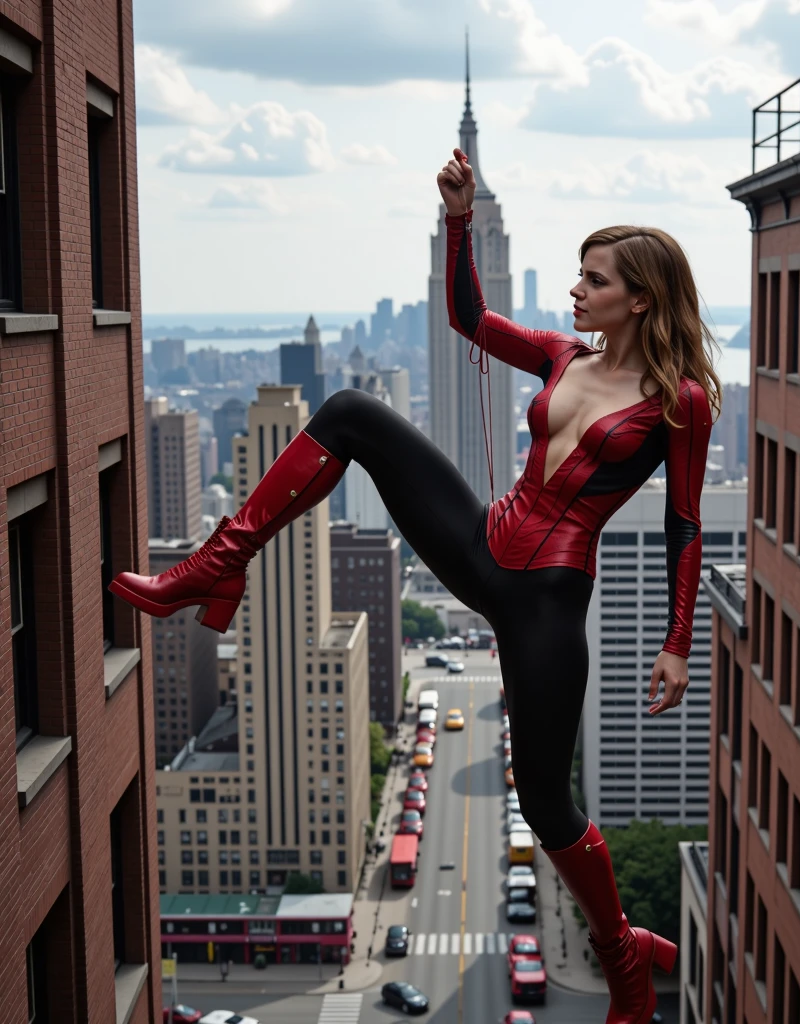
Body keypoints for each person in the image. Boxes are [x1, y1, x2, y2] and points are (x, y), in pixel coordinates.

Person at [108, 146, 719, 1024]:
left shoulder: (681, 403)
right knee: (350, 413)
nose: (576, 292)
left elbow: (684, 523)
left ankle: (624, 956)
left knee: (546, 802)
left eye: (594, 279)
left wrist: (675, 643)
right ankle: (217, 565)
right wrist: (457, 217)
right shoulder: (558, 357)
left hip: (545, 599)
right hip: (482, 544)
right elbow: (470, 316)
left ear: (642, 297)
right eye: (580, 276)